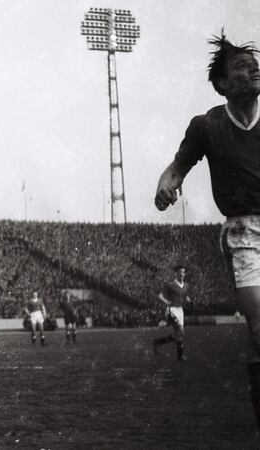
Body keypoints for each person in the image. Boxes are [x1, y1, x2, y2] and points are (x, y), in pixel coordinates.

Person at [154, 31, 260, 427]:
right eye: (241, 67)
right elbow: (176, 169)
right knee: (259, 327)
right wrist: (166, 185)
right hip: (245, 233)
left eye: (255, 63)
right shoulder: (207, 126)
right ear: (223, 85)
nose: (253, 69)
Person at [152, 265, 192, 361]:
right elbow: (160, 296)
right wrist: (166, 302)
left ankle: (158, 342)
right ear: (176, 273)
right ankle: (180, 355)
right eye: (180, 272)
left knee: (179, 334)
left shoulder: (186, 285)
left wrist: (189, 301)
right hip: (171, 310)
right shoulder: (169, 284)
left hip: (180, 311)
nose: (182, 274)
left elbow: (185, 296)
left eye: (183, 272)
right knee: (180, 332)